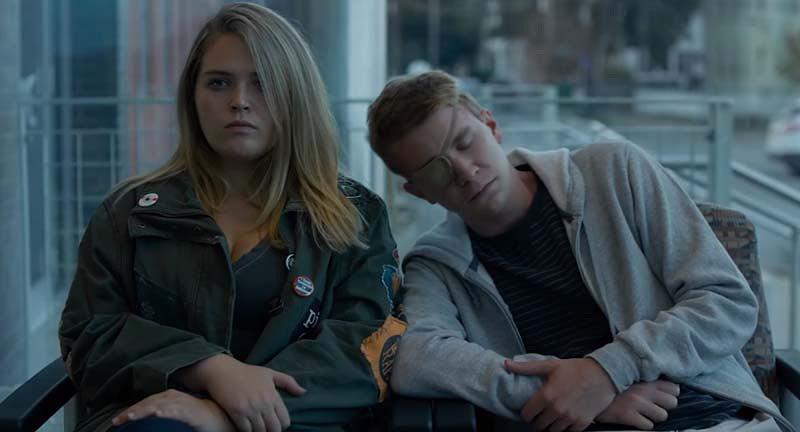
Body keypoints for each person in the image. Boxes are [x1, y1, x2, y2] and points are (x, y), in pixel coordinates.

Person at [367, 70, 790, 432]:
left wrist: (607, 371)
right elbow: (414, 358)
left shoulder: (614, 170)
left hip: (718, 418)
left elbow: (728, 302)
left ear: (491, 126)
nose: (464, 171)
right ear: (418, 192)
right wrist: (569, 394)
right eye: (436, 170)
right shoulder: (436, 265)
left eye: (464, 142)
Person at [59, 3, 405, 432]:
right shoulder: (128, 213)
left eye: (263, 83)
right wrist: (208, 367)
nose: (239, 102)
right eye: (219, 83)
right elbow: (88, 335)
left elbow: (367, 347)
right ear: (193, 97)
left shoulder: (356, 216)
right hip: (154, 422)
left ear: (295, 96)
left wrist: (224, 415)